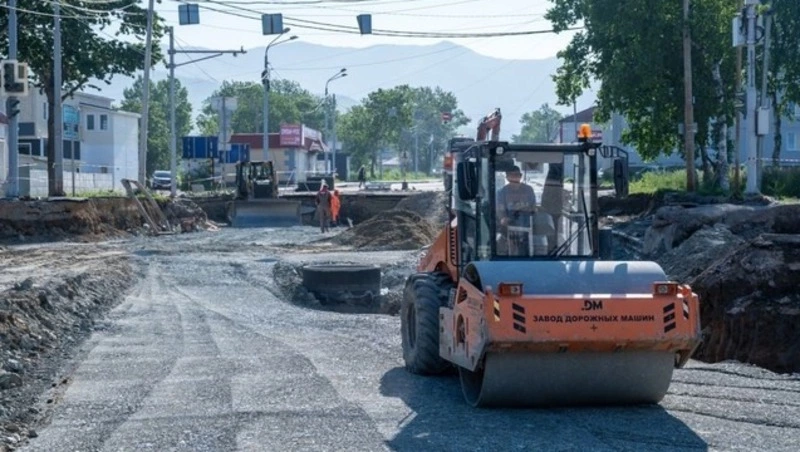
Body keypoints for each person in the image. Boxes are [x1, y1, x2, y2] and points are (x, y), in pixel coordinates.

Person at [496, 165, 537, 255]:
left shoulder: (528, 190)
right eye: (512, 175)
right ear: (507, 177)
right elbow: (500, 209)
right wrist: (503, 218)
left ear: (521, 176)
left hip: (528, 227)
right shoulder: (502, 192)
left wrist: (524, 209)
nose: (515, 178)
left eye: (517, 175)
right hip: (509, 227)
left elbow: (534, 207)